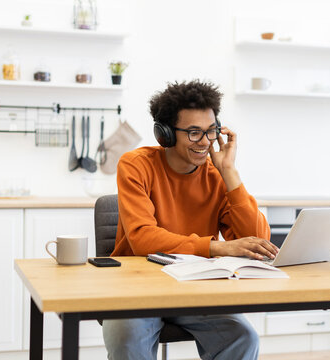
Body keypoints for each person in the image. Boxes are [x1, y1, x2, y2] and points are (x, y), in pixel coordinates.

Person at [103, 79, 278, 360]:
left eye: (211, 132)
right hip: (137, 287)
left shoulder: (217, 174)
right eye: (194, 133)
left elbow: (258, 241)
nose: (206, 142)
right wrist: (216, 247)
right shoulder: (136, 165)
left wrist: (229, 173)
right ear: (165, 135)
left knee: (243, 337)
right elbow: (142, 238)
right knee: (127, 337)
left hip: (195, 286)